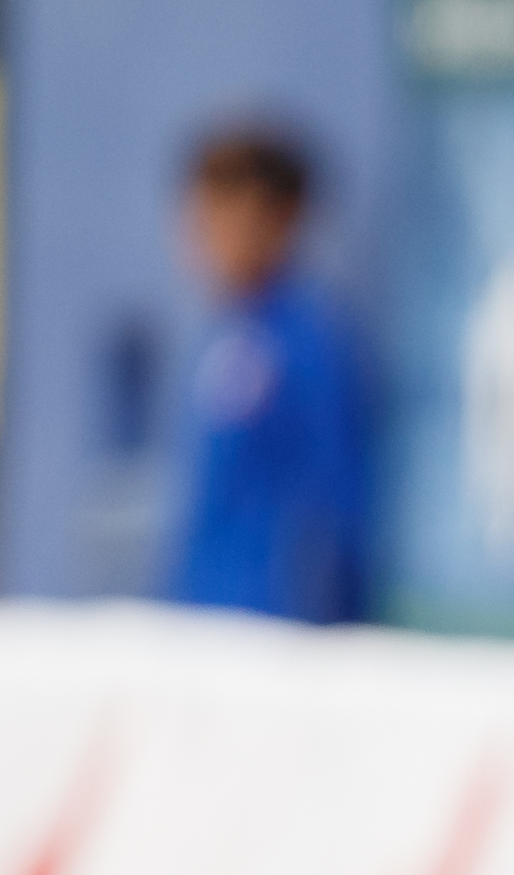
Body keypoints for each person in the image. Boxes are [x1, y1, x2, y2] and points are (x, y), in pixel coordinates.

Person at [160, 122, 374, 625]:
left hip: (272, 637)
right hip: (199, 624)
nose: (209, 232)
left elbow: (341, 503)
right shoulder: (220, 335)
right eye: (202, 211)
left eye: (229, 211)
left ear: (283, 217)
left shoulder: (310, 343)